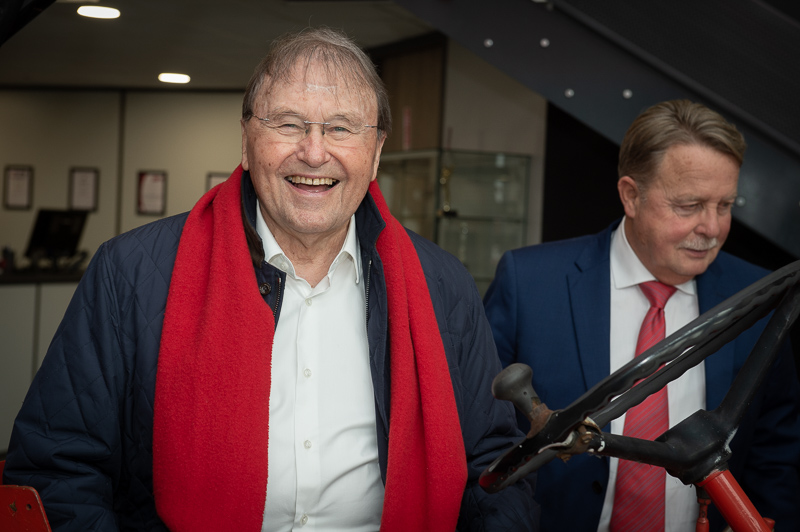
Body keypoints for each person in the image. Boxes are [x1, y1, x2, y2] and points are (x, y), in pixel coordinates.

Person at [3, 27, 538, 531]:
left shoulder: (442, 285)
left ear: (375, 153)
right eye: (287, 123)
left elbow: (492, 464)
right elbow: (56, 466)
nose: (313, 151)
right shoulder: (131, 273)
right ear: (245, 140)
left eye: (341, 128)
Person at [483, 99, 800, 532]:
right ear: (631, 195)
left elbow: (777, 447)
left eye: (725, 205)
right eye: (689, 206)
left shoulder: (760, 297)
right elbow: (482, 435)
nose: (712, 228)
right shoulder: (530, 283)